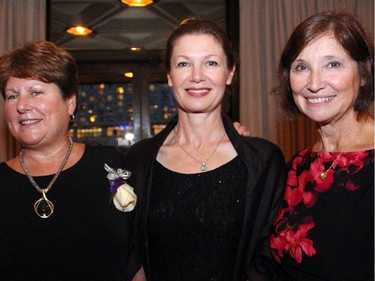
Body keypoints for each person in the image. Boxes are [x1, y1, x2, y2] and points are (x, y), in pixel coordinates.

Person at [124, 18, 287, 281]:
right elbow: (129, 255)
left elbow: (269, 259)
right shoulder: (139, 161)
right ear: (169, 75)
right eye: (183, 63)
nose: (197, 76)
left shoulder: (264, 162)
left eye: (211, 62)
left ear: (230, 73)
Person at [0, 41, 140, 280]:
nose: (22, 106)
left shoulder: (113, 167)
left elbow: (139, 259)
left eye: (35, 92)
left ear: (70, 102)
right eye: (13, 96)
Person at [269, 11, 374, 281]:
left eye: (333, 65)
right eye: (302, 67)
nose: (314, 84)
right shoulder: (297, 166)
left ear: (363, 74)